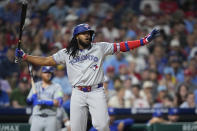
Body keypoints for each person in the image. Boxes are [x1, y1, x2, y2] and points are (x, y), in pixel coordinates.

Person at [15, 23, 160, 131]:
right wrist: (26, 57)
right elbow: (47, 61)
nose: (87, 35)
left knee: (103, 126)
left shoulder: (100, 47)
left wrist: (144, 41)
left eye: (89, 33)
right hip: (77, 92)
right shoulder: (66, 53)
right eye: (84, 33)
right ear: (76, 36)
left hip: (96, 91)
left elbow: (123, 46)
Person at [26, 66, 63, 131]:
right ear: (41, 74)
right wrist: (32, 98)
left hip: (51, 117)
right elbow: (28, 101)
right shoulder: (36, 85)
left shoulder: (57, 86)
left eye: (49, 72)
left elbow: (59, 102)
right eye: (45, 72)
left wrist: (42, 102)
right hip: (37, 117)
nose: (47, 74)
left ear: (52, 74)